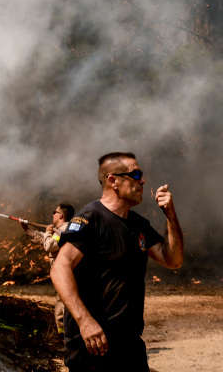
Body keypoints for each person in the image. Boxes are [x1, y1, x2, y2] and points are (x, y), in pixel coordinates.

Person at [51, 152, 184, 372]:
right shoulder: (90, 218)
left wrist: (170, 215)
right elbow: (59, 268)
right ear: (113, 181)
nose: (142, 181)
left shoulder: (138, 225)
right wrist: (85, 322)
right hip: (93, 347)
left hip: (130, 346)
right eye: (136, 174)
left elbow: (173, 260)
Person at [21, 202, 76, 333]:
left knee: (64, 300)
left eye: (54, 212)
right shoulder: (61, 230)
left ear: (60, 215)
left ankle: (66, 335)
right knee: (61, 299)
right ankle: (63, 333)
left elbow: (49, 245)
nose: (53, 214)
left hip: (64, 273)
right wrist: (27, 230)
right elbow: (45, 239)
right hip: (62, 273)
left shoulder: (64, 230)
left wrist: (47, 233)